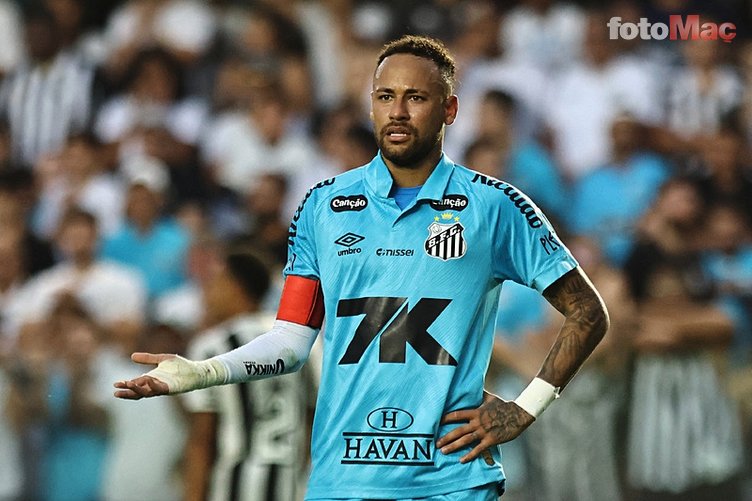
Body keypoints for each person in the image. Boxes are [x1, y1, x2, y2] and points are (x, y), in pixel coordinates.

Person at [115, 35, 609, 500]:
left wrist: (526, 407)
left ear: (450, 109)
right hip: (344, 479)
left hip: (451, 479)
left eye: (416, 97)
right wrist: (200, 372)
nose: (398, 112)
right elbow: (290, 342)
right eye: (385, 96)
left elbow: (587, 311)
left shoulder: (494, 206)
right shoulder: (322, 206)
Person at [183, 249, 314, 501]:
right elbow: (313, 417)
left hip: (235, 485)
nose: (207, 293)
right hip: (291, 485)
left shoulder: (211, 346)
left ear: (235, 287)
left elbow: (202, 440)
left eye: (215, 282)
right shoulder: (301, 342)